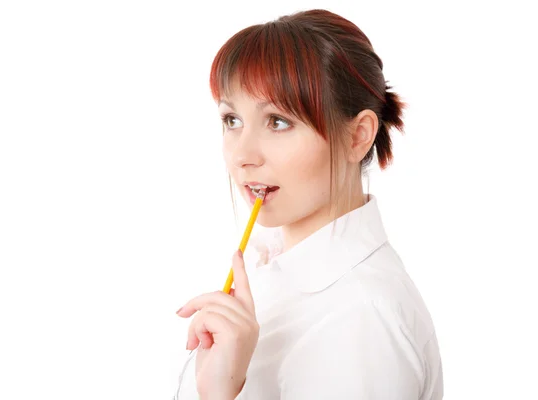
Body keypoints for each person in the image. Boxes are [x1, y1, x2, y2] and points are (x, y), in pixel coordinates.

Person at [173, 8, 443, 400]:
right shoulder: (271, 274)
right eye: (232, 120)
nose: (242, 155)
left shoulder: (361, 318)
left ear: (358, 137)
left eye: (277, 121)